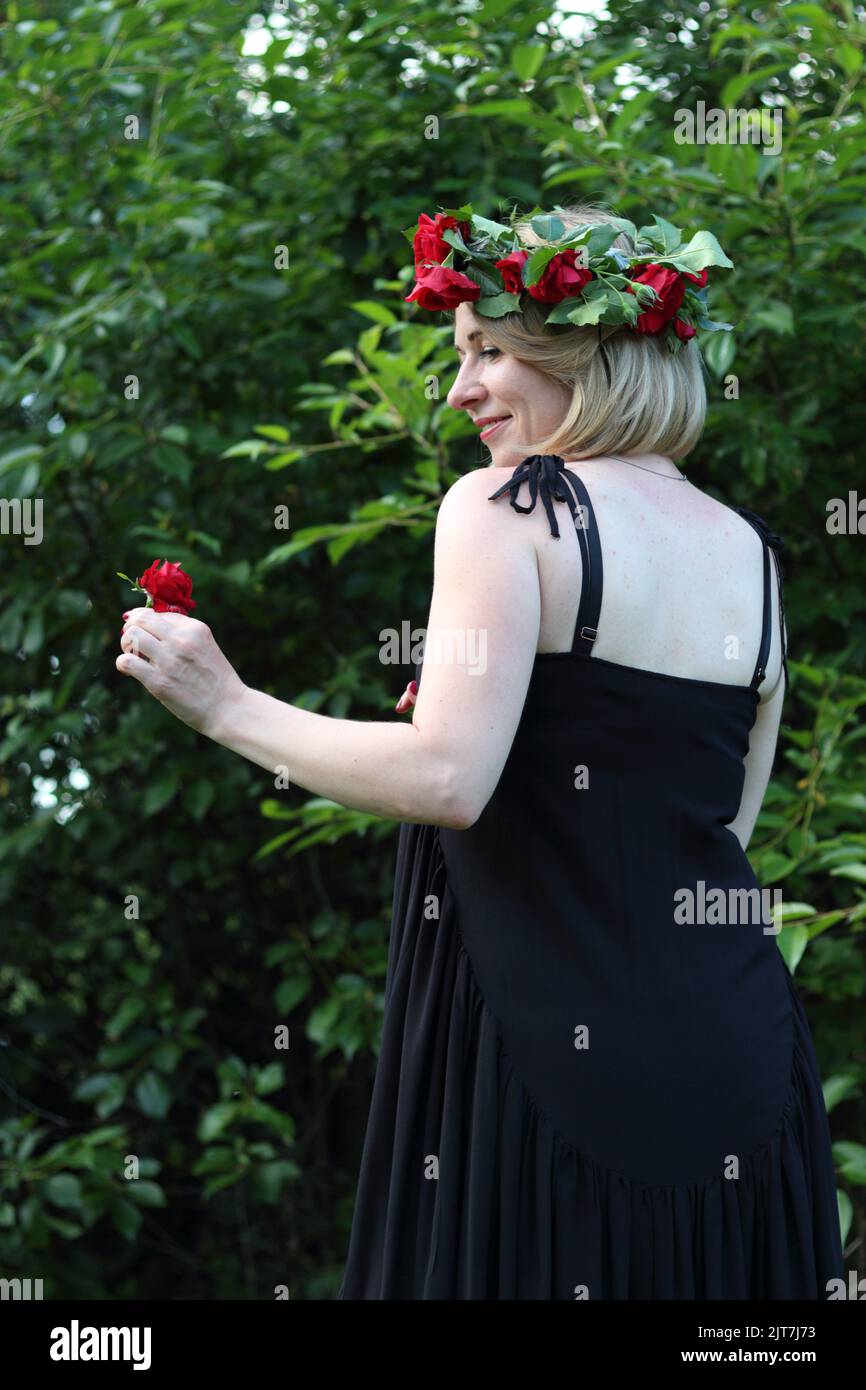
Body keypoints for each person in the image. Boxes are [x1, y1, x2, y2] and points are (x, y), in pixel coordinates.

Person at [117, 202, 845, 1300]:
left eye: (487, 351)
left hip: (549, 1064)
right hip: (745, 1069)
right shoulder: (750, 554)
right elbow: (720, 836)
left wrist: (225, 705)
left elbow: (446, 777)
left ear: (584, 351)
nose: (458, 391)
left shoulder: (506, 507)